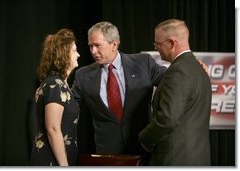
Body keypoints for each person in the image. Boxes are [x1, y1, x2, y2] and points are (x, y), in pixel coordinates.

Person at [71, 21, 167, 165]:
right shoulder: (83, 75)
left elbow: (172, 79)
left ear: (114, 44)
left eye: (97, 46)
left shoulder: (143, 63)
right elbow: (68, 106)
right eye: (90, 46)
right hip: (107, 154)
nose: (93, 51)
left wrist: (191, 67)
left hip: (142, 149)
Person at [138, 19, 212, 166]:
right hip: (197, 157)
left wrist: (144, 139)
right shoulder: (199, 69)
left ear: (171, 43)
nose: (156, 48)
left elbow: (168, 118)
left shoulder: (178, 71)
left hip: (176, 159)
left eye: (158, 44)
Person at [30, 28, 80, 166]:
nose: (78, 55)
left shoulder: (58, 84)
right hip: (52, 161)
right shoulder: (54, 85)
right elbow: (52, 128)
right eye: (74, 50)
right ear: (63, 54)